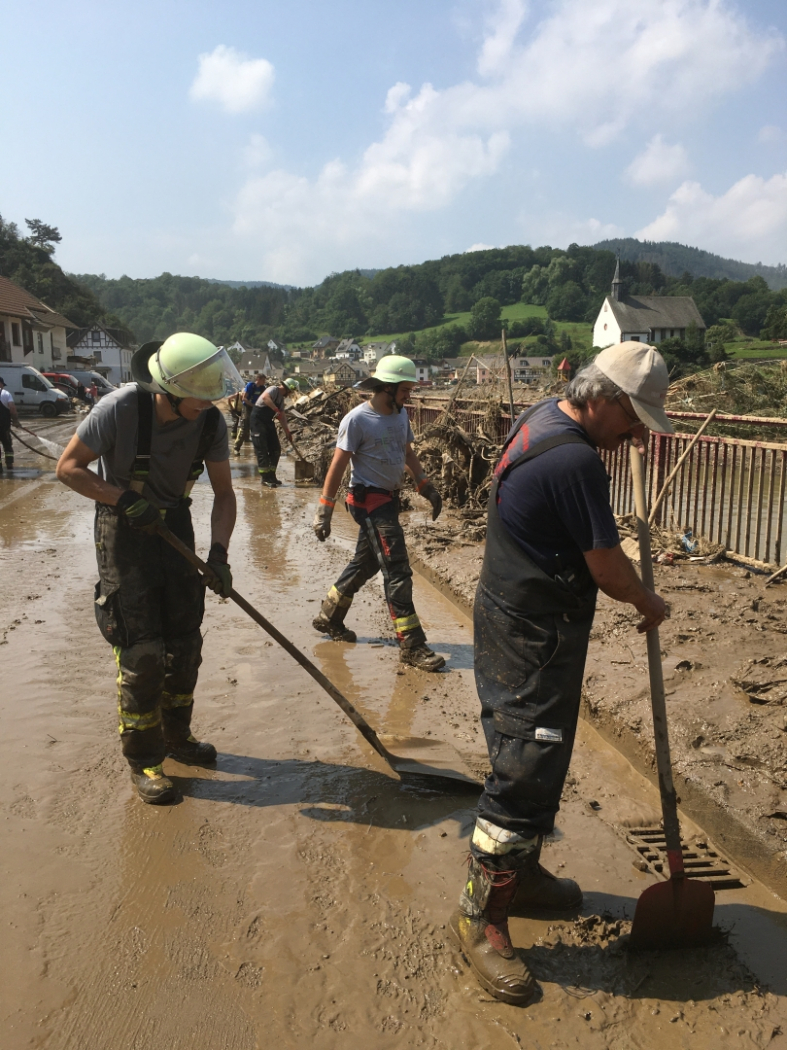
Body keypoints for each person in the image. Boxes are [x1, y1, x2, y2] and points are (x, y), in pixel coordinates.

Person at [450, 342, 670, 1006]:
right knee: (523, 769)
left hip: (512, 611)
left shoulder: (544, 415)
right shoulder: (574, 459)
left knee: (535, 757)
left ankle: (525, 873)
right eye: (632, 419)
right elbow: (605, 568)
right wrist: (647, 600)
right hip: (533, 634)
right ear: (602, 399)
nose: (634, 434)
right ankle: (479, 919)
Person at [56, 332, 243, 805]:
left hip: (173, 523)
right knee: (141, 652)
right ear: (170, 391)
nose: (207, 406)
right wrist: (121, 498)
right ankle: (146, 760)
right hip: (124, 527)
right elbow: (69, 468)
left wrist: (219, 554)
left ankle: (178, 738)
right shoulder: (119, 408)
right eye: (199, 399)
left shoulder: (208, 423)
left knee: (184, 645)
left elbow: (223, 493)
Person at [311, 355, 445, 672]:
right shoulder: (357, 420)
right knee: (397, 568)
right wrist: (324, 511)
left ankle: (329, 617)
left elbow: (406, 451)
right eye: (405, 390)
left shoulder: (400, 416)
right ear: (387, 387)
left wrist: (425, 486)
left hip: (388, 499)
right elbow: (338, 464)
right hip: (367, 499)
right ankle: (412, 645)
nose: (409, 395)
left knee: (368, 561)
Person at [250, 377, 299, 487]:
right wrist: (275, 410)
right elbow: (265, 398)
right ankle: (265, 478)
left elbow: (282, 416)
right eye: (291, 392)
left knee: (276, 449)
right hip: (258, 421)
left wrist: (287, 431)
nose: (291, 394)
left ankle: (272, 475)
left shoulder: (280, 399)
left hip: (268, 422)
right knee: (262, 450)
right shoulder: (273, 389)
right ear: (288, 389)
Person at [234, 372, 267, 454]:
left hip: (257, 409)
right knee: (244, 428)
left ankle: (257, 450)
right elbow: (244, 399)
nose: (264, 382)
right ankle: (236, 448)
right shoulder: (250, 386)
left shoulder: (262, 388)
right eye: (263, 380)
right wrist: (253, 405)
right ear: (258, 379)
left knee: (257, 429)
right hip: (247, 408)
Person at [0, 376, 19, 471]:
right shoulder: (5, 394)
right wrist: (15, 421)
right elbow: (12, 408)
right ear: (1, 384)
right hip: (4, 426)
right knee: (7, 445)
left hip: (4, 425)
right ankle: (9, 464)